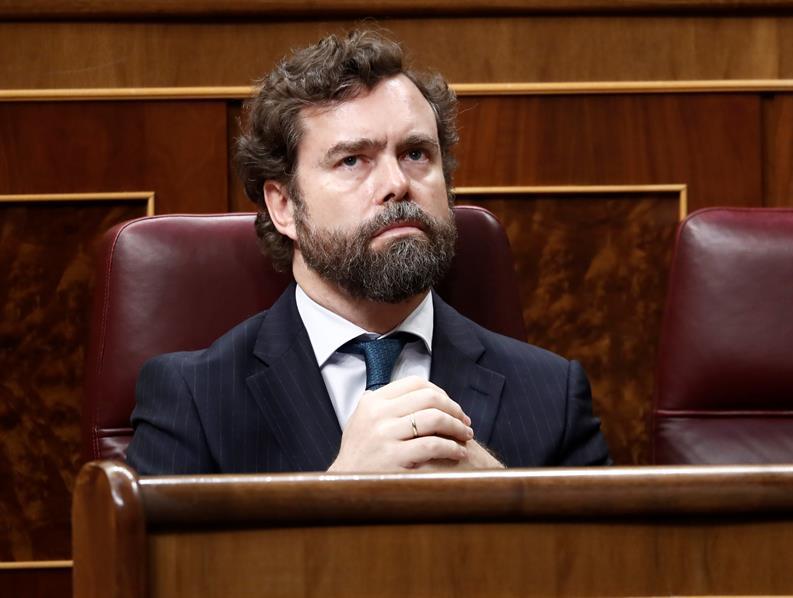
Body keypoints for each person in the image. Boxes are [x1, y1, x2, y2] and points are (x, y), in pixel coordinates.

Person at [126, 30, 610, 475]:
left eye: (416, 153)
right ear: (284, 205)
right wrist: (339, 495)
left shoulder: (553, 395)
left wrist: (502, 501)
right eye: (353, 160)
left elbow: (608, 570)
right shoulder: (193, 400)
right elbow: (170, 573)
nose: (397, 184)